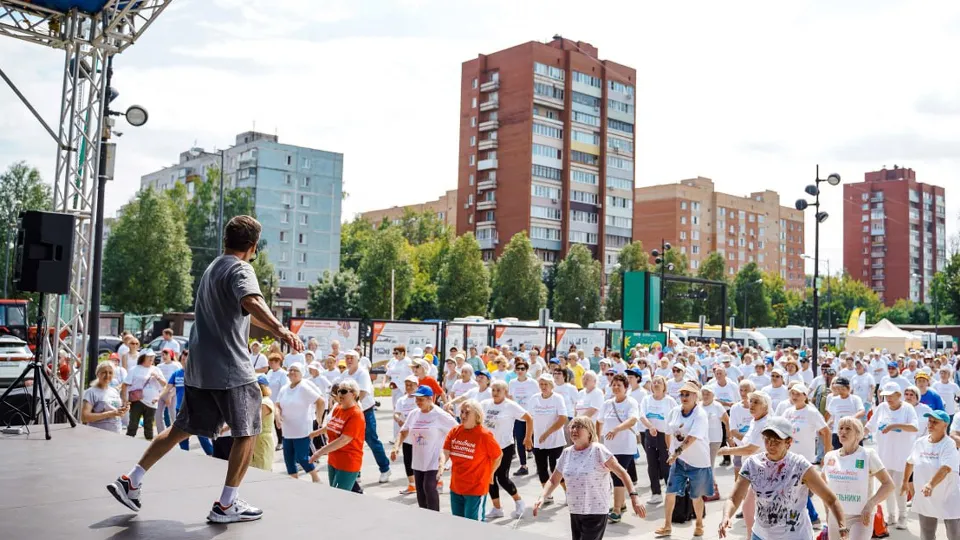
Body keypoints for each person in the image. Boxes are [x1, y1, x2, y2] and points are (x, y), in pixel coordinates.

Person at [107, 215, 304, 524]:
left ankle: (131, 479)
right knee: (248, 430)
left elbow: (237, 308)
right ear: (252, 246)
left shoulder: (212, 268)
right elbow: (251, 300)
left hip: (200, 366)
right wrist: (282, 329)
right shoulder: (241, 268)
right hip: (230, 367)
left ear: (226, 240)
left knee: (181, 427)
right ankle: (227, 504)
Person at [719, 416, 850, 540]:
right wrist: (726, 516)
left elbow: (830, 499)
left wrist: (842, 526)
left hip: (796, 536)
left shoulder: (799, 465)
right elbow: (734, 498)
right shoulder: (752, 464)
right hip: (761, 535)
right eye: (767, 440)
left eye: (776, 441)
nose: (770, 445)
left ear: (789, 442)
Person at [533, 416, 646, 540]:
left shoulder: (598, 450)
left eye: (580, 426)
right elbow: (554, 480)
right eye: (572, 426)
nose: (574, 429)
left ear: (589, 432)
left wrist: (634, 497)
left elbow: (622, 473)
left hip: (596, 511)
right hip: (575, 510)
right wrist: (542, 497)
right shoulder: (567, 453)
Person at [822, 417, 896, 540]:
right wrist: (828, 511)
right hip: (836, 516)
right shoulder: (830, 456)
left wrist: (870, 505)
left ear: (858, 434)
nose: (842, 432)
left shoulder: (867, 454)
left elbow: (888, 484)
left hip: (861, 516)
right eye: (840, 428)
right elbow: (823, 486)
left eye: (848, 429)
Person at [656, 380, 712, 538]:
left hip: (698, 462)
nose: (684, 397)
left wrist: (676, 452)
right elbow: (668, 432)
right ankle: (667, 525)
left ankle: (699, 523)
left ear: (695, 396)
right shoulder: (674, 411)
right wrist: (670, 452)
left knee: (696, 496)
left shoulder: (700, 414)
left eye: (688, 394)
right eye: (682, 394)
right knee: (670, 492)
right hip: (679, 461)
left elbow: (692, 437)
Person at [390, 385, 457, 511]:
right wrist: (396, 447)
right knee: (420, 493)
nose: (418, 402)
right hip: (418, 460)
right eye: (416, 399)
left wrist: (448, 454)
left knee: (429, 487)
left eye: (421, 399)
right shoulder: (414, 414)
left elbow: (457, 431)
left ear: (430, 399)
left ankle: (435, 518)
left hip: (434, 460)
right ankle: (424, 519)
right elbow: (404, 431)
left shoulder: (440, 414)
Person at [865, 381, 917, 529]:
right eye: (885, 396)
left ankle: (903, 516)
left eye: (890, 396)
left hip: (902, 457)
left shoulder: (907, 409)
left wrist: (894, 426)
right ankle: (891, 515)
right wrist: (859, 435)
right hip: (884, 455)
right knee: (886, 487)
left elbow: (914, 427)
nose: (887, 399)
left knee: (900, 487)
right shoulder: (881, 408)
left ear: (898, 395)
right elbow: (870, 426)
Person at [440, 400, 503, 521]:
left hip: (475, 490)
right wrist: (441, 464)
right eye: (461, 412)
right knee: (459, 525)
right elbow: (445, 451)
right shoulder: (455, 431)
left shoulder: (484, 435)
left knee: (474, 527)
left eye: (467, 413)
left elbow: (498, 455)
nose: (463, 416)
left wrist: (490, 473)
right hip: (456, 487)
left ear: (477, 416)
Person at [902, 410, 960, 540]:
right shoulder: (920, 442)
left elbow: (945, 468)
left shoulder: (949, 444)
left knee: (954, 535)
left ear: (945, 425)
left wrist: (930, 484)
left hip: (948, 496)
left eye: (935, 422)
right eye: (929, 421)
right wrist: (905, 482)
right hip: (926, 496)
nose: (931, 424)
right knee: (927, 535)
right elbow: (909, 462)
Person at [482, 379, 533, 519]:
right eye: (493, 390)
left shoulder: (510, 406)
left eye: (499, 390)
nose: (495, 393)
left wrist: (528, 438)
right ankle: (497, 508)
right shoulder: (485, 404)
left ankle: (519, 501)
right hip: (487, 448)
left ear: (505, 392)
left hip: (504, 447)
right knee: (489, 477)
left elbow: (529, 418)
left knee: (502, 478)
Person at [342, 349, 392, 483]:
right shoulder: (345, 374)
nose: (349, 360)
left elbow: (362, 392)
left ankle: (385, 468)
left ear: (358, 359)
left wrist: (352, 405)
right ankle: (355, 472)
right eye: (347, 358)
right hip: (351, 413)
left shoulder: (362, 373)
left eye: (352, 358)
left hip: (365, 412)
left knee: (372, 441)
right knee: (351, 442)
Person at [596, 373, 640, 523]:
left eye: (619, 385)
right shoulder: (607, 403)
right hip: (609, 447)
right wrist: (597, 439)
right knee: (613, 475)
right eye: (613, 384)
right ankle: (621, 504)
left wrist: (616, 429)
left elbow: (633, 419)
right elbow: (599, 421)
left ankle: (616, 510)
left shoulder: (631, 402)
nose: (615, 387)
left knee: (619, 476)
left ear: (626, 387)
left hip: (625, 446)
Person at [310, 379, 365, 491]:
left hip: (348, 461)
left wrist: (319, 452)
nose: (340, 394)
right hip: (333, 460)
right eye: (339, 391)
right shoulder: (338, 409)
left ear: (354, 394)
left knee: (339, 497)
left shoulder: (356, 414)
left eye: (344, 391)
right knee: (335, 493)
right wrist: (315, 433)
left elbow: (344, 439)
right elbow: (332, 426)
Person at [275, 363, 324, 482]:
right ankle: (293, 480)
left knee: (301, 458)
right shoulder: (284, 388)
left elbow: (320, 401)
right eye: (290, 370)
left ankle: (315, 478)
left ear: (301, 373)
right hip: (287, 429)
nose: (291, 372)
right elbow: (277, 404)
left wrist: (319, 418)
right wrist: (277, 415)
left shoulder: (303, 387)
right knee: (288, 458)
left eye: (295, 370)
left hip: (301, 429)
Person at [530, 373, 568, 502]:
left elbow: (563, 418)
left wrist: (547, 433)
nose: (543, 386)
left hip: (555, 440)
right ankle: (547, 495)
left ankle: (568, 493)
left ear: (552, 385)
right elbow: (529, 419)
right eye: (541, 384)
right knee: (541, 469)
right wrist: (528, 437)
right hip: (538, 442)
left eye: (546, 384)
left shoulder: (558, 398)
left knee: (555, 468)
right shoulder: (534, 398)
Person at [639, 375, 676, 505]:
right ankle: (656, 493)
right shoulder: (646, 399)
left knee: (666, 464)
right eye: (654, 382)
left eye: (659, 382)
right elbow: (642, 415)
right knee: (652, 464)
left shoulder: (669, 401)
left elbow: (677, 416)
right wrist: (650, 427)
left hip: (665, 436)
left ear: (664, 386)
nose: (656, 384)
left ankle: (670, 491)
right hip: (650, 435)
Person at [121, 349, 166, 440]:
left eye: (152, 357)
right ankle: (128, 443)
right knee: (133, 424)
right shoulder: (134, 369)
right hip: (137, 401)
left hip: (152, 402)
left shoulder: (156, 369)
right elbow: (125, 384)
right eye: (149, 357)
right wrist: (125, 400)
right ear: (143, 357)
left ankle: (148, 447)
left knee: (149, 425)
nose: (151, 359)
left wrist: (157, 377)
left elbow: (164, 384)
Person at [508, 359, 539, 476]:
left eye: (523, 369)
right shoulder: (512, 382)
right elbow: (511, 398)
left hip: (530, 416)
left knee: (533, 441)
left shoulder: (532, 383)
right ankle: (523, 466)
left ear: (526, 370)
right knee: (520, 441)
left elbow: (537, 397)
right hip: (518, 416)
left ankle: (539, 464)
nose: (520, 371)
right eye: (518, 369)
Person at [82, 362, 128, 433]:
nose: (107, 375)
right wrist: (109, 414)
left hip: (116, 433)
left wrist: (123, 410)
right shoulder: (91, 392)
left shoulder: (114, 391)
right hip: (97, 435)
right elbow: (84, 417)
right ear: (97, 374)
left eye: (110, 373)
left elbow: (117, 413)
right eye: (104, 372)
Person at [394, 375, 421, 495]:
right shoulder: (401, 400)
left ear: (417, 386)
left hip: (418, 435)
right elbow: (396, 413)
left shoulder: (419, 399)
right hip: (406, 435)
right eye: (407, 385)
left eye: (411, 385)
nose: (409, 387)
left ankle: (422, 484)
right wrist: (398, 419)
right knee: (408, 460)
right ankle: (411, 484)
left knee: (419, 460)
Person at [825, 377, 865, 450]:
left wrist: (850, 419)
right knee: (837, 455)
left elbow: (862, 411)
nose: (840, 391)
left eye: (843, 389)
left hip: (853, 431)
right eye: (838, 389)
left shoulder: (855, 399)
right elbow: (828, 413)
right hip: (838, 432)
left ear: (848, 388)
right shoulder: (834, 400)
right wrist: (824, 425)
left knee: (856, 454)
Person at [249, 375, 275, 471]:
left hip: (263, 439)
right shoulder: (257, 401)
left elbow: (253, 419)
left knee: (263, 467)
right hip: (255, 438)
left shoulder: (265, 402)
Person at [154, 348, 182, 431]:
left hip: (172, 392)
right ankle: (161, 434)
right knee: (158, 415)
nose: (164, 356)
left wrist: (171, 394)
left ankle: (176, 432)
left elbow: (178, 381)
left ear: (171, 355)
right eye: (163, 355)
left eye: (166, 354)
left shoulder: (176, 365)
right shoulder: (159, 366)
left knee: (173, 414)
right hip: (161, 392)